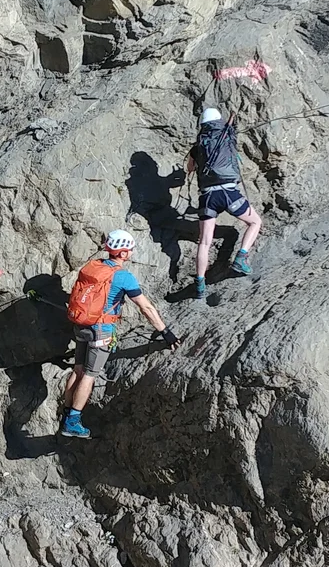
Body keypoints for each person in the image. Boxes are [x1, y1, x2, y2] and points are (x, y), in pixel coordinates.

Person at [60, 230, 175, 440]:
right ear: (122, 253)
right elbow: (146, 308)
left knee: (77, 369)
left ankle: (66, 412)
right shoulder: (123, 276)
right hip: (101, 329)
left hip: (81, 324)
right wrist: (165, 332)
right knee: (90, 374)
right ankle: (73, 421)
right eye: (129, 249)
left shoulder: (94, 266)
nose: (131, 252)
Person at [186, 107, 262, 300]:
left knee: (204, 242)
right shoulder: (228, 134)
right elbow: (233, 130)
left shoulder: (198, 146)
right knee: (255, 222)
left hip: (207, 197)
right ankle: (241, 257)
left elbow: (189, 169)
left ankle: (200, 285)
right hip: (228, 193)